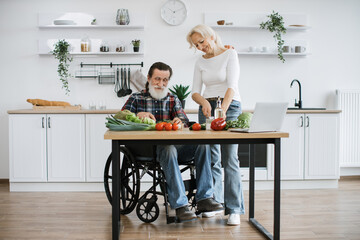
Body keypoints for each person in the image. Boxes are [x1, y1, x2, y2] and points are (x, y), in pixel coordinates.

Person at [122, 61, 223, 222]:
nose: (160, 84)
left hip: (173, 149)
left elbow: (183, 119)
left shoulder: (172, 99)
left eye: (165, 80)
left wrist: (179, 121)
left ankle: (204, 198)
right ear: (148, 78)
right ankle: (180, 206)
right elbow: (121, 118)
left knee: (202, 145)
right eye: (157, 79)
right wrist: (136, 116)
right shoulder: (135, 98)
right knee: (168, 148)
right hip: (145, 150)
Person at [186, 24, 245, 225]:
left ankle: (234, 208)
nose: (201, 47)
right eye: (196, 45)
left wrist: (222, 111)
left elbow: (231, 86)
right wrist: (203, 102)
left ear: (211, 36)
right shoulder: (199, 62)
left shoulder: (230, 54)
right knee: (212, 157)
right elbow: (194, 91)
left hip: (229, 106)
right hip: (207, 108)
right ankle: (215, 202)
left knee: (230, 158)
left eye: (202, 42)